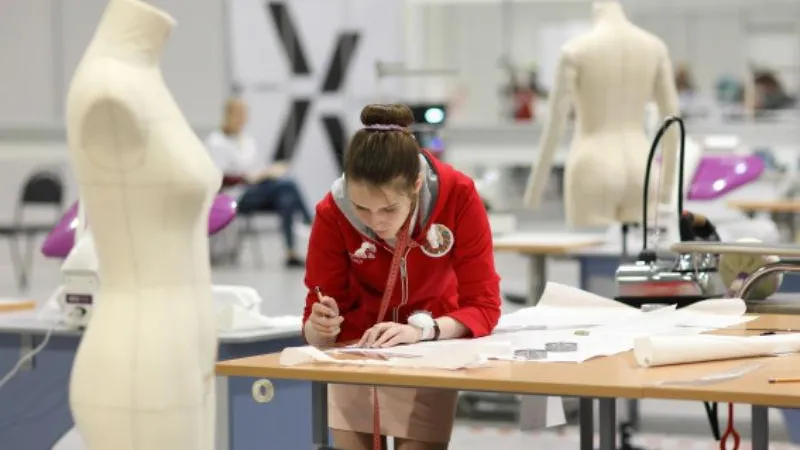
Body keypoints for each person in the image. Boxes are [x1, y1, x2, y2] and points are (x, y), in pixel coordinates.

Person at [302, 104, 502, 449]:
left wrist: (422, 331)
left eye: (389, 209)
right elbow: (316, 312)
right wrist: (319, 326)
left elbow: (483, 305)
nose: (375, 222)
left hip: (431, 351)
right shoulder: (332, 211)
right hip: (357, 354)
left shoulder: (458, 195)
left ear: (417, 184)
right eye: (362, 208)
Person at [205, 97, 312, 268]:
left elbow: (255, 168)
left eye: (244, 113)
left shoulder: (247, 141)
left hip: (256, 191)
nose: (241, 117)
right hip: (235, 197)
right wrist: (246, 178)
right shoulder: (216, 141)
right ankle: (310, 222)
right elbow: (217, 177)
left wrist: (266, 173)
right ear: (227, 115)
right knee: (289, 184)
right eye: (238, 113)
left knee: (286, 197)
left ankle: (291, 253)